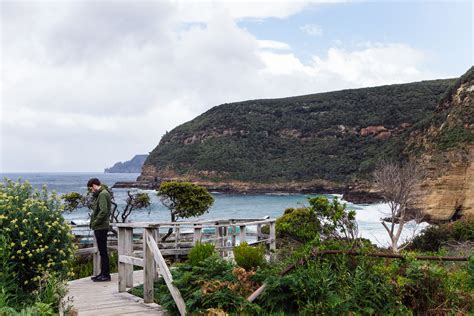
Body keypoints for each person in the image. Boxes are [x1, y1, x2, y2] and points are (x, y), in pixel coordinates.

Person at [87, 178, 112, 282]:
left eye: (91, 189)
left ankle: (105, 275)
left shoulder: (102, 194)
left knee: (103, 251)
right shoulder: (102, 193)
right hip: (101, 226)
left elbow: (103, 211)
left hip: (101, 226)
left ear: (94, 185)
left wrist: (94, 222)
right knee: (102, 251)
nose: (91, 191)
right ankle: (103, 273)